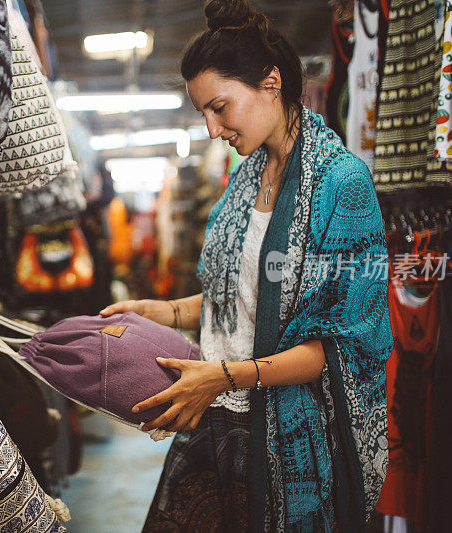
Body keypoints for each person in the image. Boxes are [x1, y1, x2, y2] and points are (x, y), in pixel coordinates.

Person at [99, 1, 392, 531]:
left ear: (271, 82)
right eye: (203, 114)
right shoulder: (244, 180)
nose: (212, 129)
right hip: (221, 417)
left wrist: (225, 376)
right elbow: (234, 299)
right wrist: (158, 311)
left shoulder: (340, 185)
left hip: (293, 440)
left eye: (220, 107)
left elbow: (338, 348)